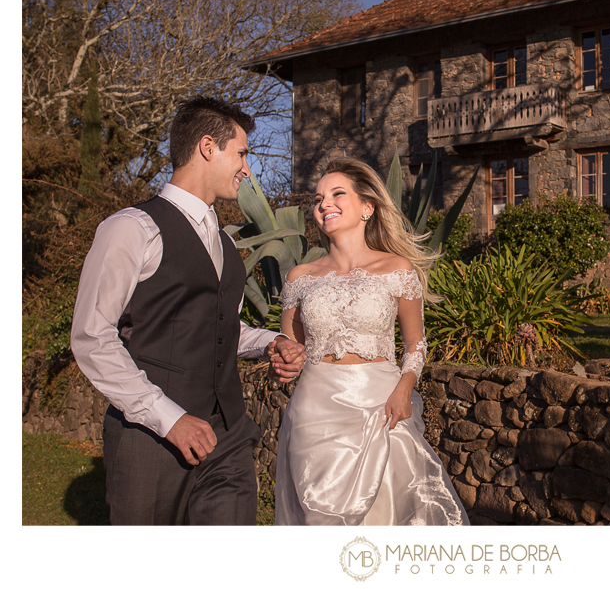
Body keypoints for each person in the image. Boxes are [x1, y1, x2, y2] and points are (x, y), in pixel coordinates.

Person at [71, 96, 306, 525]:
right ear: (207, 147)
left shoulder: (227, 245)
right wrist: (171, 419)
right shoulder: (131, 228)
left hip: (229, 437)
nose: (246, 169)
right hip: (150, 443)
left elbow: (221, 326)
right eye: (241, 154)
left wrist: (272, 340)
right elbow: (92, 337)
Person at [272, 157, 469, 525]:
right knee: (318, 520)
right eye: (318, 199)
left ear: (367, 207)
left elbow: (415, 345)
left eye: (336, 194)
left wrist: (403, 389)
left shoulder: (397, 269)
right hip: (313, 411)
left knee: (385, 515)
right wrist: (282, 354)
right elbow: (288, 343)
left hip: (379, 405)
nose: (323, 204)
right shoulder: (300, 276)